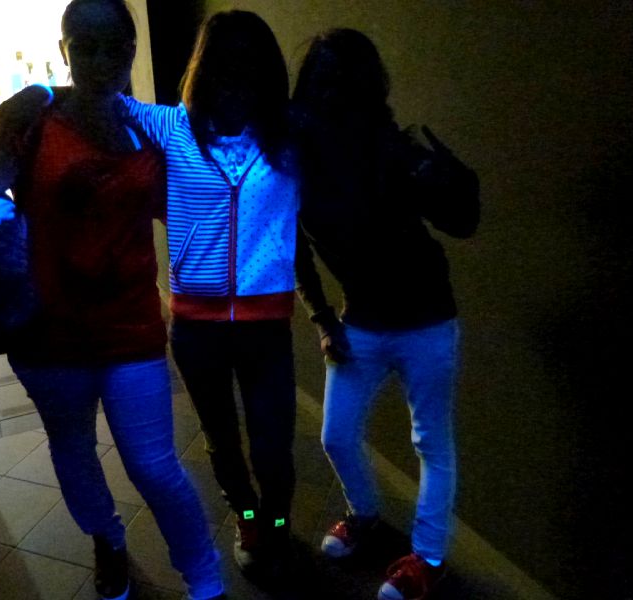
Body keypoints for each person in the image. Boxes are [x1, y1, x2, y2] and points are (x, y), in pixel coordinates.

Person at [0, 1, 225, 599]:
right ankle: (108, 542)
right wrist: (3, 236)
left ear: (131, 51)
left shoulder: (153, 128)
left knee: (155, 466)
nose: (99, 62)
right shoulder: (30, 119)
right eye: (83, 47)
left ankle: (205, 581)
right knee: (73, 449)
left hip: (130, 327)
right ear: (63, 50)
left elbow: (187, 211)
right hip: (47, 330)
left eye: (114, 48)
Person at [292, 29, 480, 600]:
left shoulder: (393, 149)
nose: (332, 95)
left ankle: (428, 557)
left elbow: (462, 222)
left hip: (427, 319)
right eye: (322, 82)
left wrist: (452, 180)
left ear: (367, 90)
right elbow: (294, 249)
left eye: (343, 83)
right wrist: (322, 319)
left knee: (431, 442)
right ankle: (366, 515)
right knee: (336, 434)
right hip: (363, 321)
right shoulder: (302, 160)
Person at [122, 9, 299, 579]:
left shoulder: (289, 135)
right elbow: (105, 102)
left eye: (250, 66)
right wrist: (38, 94)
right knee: (223, 441)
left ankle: (277, 523)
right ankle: (247, 519)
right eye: (225, 65)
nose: (237, 80)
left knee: (273, 444)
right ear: (205, 69)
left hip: (266, 326)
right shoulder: (174, 127)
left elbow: (351, 132)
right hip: (197, 329)